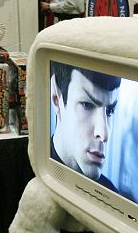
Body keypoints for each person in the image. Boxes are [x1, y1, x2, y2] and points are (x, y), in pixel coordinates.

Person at [49, 62, 120, 190]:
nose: (104, 134)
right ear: (56, 99)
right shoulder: (20, 178)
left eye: (110, 111)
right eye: (87, 105)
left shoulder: (111, 193)